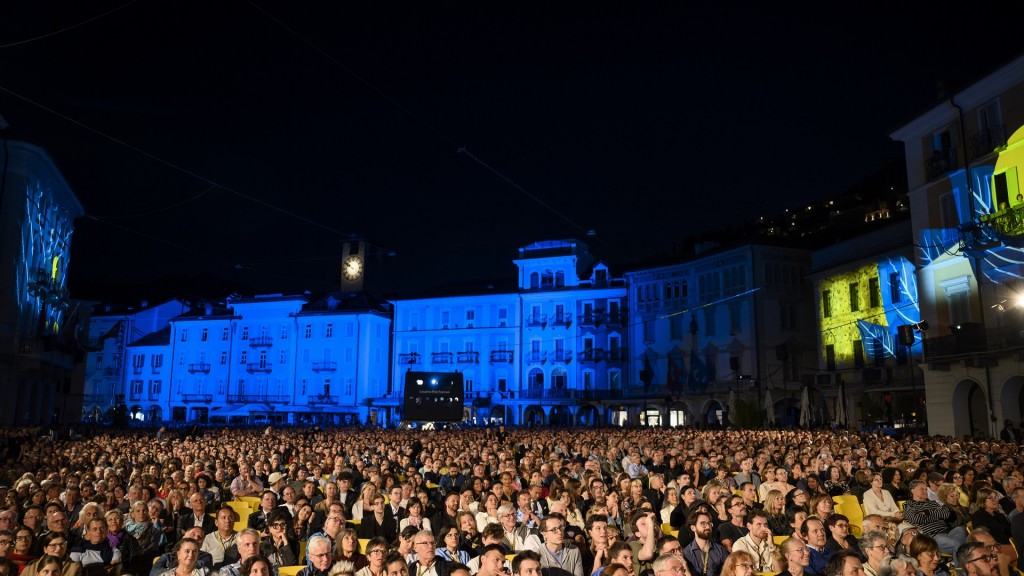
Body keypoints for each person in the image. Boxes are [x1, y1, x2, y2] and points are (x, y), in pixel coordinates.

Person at [902, 481, 966, 556]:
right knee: (963, 547)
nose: (925, 491)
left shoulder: (933, 503)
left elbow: (946, 514)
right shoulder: (908, 505)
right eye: (921, 489)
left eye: (926, 489)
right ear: (912, 490)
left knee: (960, 529)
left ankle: (960, 562)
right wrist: (937, 515)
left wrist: (927, 513)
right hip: (933, 535)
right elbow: (916, 519)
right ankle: (961, 562)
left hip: (948, 531)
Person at [681, 509, 726, 576]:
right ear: (693, 528)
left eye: (709, 523)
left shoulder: (721, 550)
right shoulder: (687, 554)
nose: (708, 527)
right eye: (703, 524)